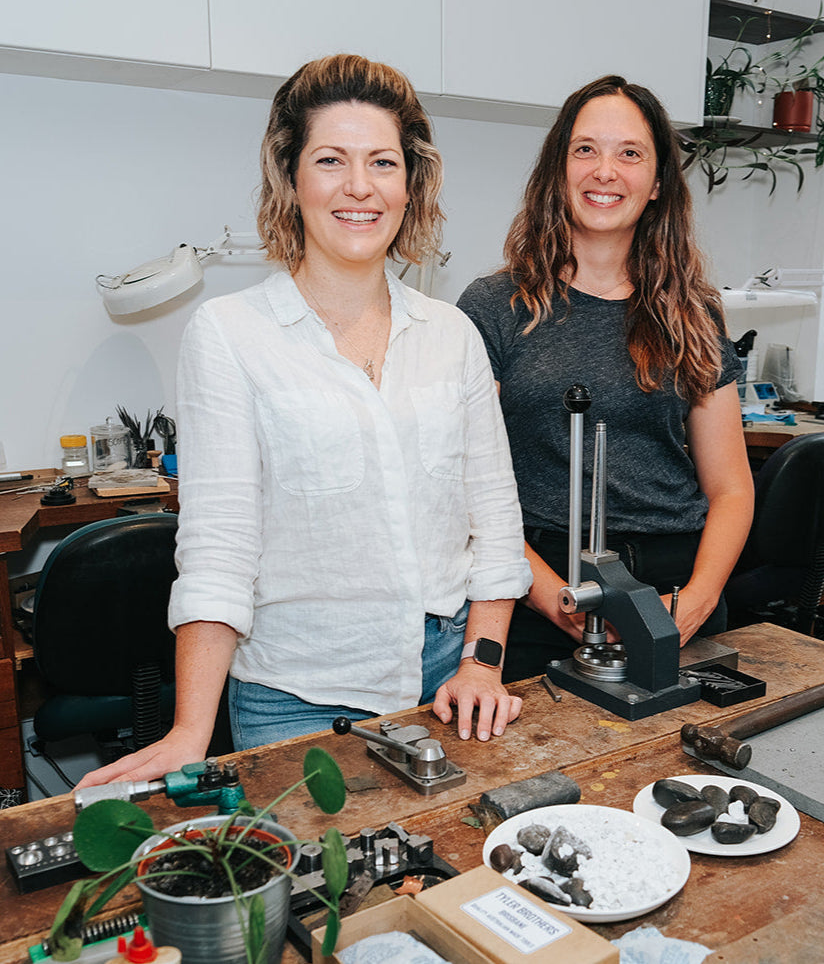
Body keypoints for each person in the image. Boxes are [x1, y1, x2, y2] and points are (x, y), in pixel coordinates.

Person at [78, 54, 531, 788]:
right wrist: (191, 730)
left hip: (451, 689)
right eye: (331, 160)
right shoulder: (229, 333)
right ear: (290, 179)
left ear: (410, 185)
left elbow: (496, 525)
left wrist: (483, 662)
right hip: (298, 701)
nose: (360, 186)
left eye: (383, 162)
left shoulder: (452, 335)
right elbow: (219, 549)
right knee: (329, 900)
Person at [458, 75, 754, 684]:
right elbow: (466, 490)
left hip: (675, 590)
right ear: (556, 171)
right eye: (585, 149)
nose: (605, 171)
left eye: (630, 153)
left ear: (657, 184)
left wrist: (692, 604)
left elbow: (730, 488)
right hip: (536, 593)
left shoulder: (691, 311)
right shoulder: (494, 307)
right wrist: (553, 600)